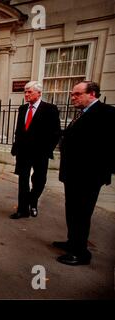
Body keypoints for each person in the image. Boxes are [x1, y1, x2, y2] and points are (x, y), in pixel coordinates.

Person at [53, 81, 115, 266]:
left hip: (88, 177)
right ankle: (73, 242)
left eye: (77, 94)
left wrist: (102, 173)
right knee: (72, 211)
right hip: (72, 175)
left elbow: (110, 148)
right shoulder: (81, 114)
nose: (73, 98)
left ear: (92, 94)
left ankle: (81, 253)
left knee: (81, 214)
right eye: (72, 94)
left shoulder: (106, 113)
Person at [10, 81, 61, 219]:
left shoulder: (50, 109)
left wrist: (47, 149)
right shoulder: (22, 108)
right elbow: (19, 130)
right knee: (23, 180)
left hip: (40, 153)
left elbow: (56, 133)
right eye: (25, 92)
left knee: (39, 181)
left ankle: (32, 201)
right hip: (23, 152)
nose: (26, 94)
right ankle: (22, 210)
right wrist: (16, 146)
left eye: (29, 92)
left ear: (39, 93)